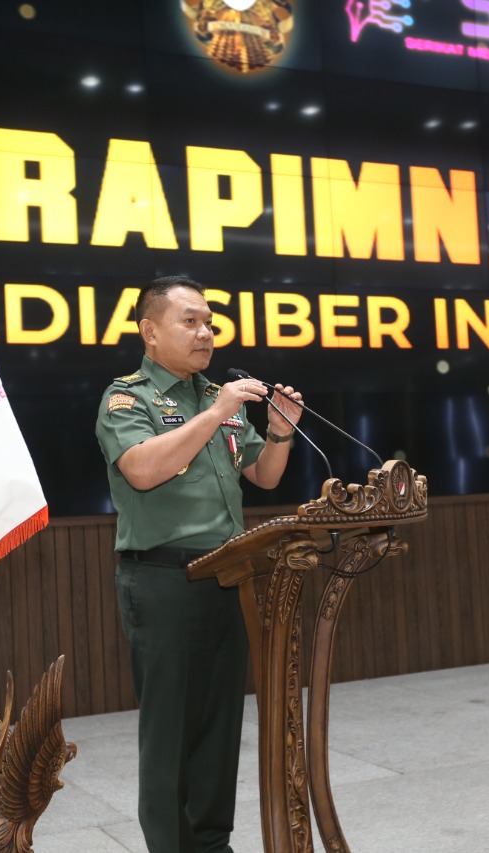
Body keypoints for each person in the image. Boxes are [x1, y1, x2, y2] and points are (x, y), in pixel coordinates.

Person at [94, 275, 303, 853]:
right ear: (150, 331)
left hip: (229, 576)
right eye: (189, 321)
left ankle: (212, 843)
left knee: (218, 724)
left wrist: (279, 432)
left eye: (209, 322)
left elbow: (263, 475)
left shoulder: (217, 395)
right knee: (172, 729)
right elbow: (141, 470)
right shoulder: (127, 398)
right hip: (163, 579)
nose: (205, 333)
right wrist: (217, 412)